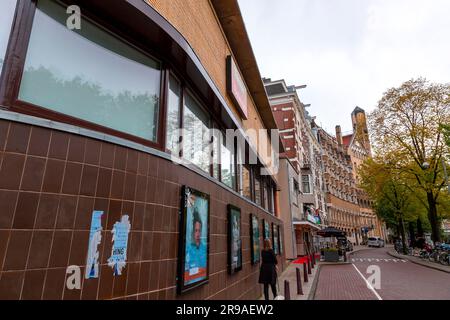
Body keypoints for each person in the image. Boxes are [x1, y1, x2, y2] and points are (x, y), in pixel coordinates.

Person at [185, 209, 207, 285]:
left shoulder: (204, 248)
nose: (198, 234)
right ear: (192, 231)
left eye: (199, 230)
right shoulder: (188, 249)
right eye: (196, 230)